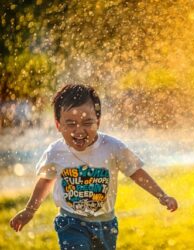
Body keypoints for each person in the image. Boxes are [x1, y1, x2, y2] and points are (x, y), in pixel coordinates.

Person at [9, 84, 178, 249]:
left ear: (98, 121)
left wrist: (161, 195)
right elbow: (45, 181)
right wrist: (30, 210)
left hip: (106, 224)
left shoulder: (112, 147)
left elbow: (136, 172)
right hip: (70, 222)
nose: (79, 130)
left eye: (87, 122)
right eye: (71, 123)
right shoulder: (56, 152)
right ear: (58, 125)